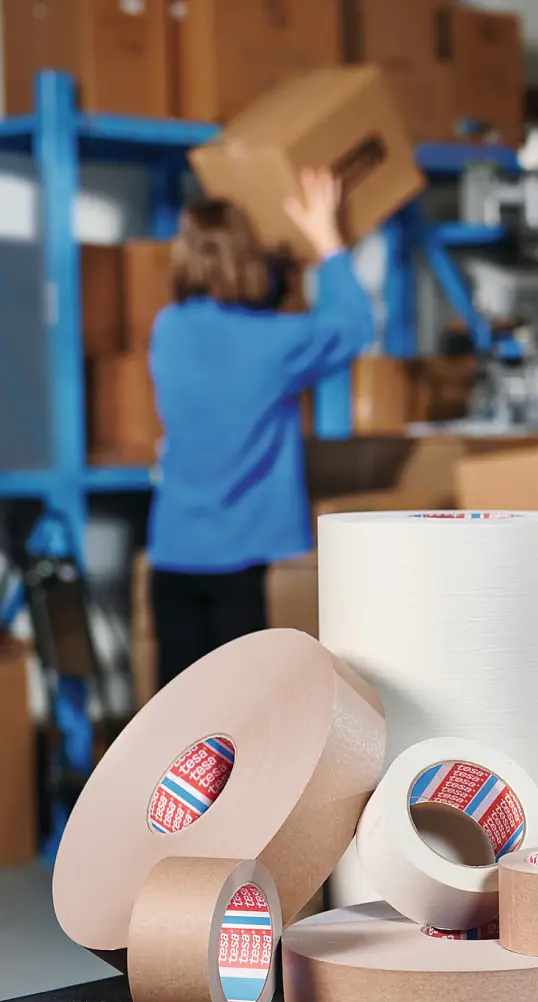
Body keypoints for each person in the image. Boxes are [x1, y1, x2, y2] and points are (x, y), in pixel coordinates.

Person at [147, 170, 374, 687]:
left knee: (179, 721)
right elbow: (353, 326)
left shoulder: (168, 329)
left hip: (173, 556)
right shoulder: (274, 344)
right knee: (244, 722)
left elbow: (225, 342)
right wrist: (327, 242)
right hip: (241, 565)